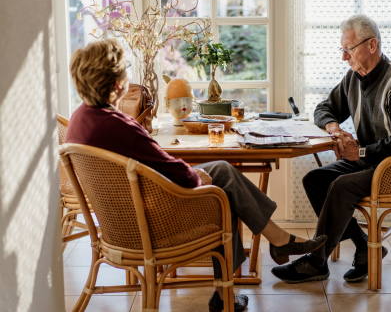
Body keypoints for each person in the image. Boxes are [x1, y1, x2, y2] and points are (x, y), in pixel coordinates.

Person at [66, 38, 327, 312]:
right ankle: (248, 270)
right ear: (118, 83)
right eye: (125, 69)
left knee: (222, 171)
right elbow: (172, 171)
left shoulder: (80, 119)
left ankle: (265, 253)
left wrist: (196, 172)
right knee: (222, 193)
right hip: (148, 225)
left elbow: (157, 165)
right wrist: (196, 176)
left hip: (118, 224)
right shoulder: (121, 127)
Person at [271, 14, 391, 284]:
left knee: (341, 186)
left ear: (372, 45)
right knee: (315, 179)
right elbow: (323, 108)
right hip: (373, 162)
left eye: (349, 49)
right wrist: (335, 128)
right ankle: (364, 246)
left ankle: (316, 261)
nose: (344, 57)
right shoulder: (354, 77)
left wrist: (359, 153)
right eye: (342, 50)